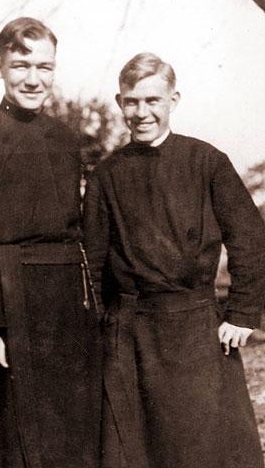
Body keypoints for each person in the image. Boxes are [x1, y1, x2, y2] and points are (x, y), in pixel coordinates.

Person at [84, 52, 265, 468]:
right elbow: (90, 265)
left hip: (196, 333)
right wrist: (99, 332)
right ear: (119, 102)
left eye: (153, 100)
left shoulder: (207, 162)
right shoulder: (105, 176)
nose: (142, 112)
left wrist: (241, 313)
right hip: (130, 337)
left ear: (173, 100)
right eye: (132, 101)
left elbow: (250, 238)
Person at [0, 17, 101, 468]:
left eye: (44, 67)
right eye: (21, 65)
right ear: (0, 67)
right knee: (6, 445)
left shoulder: (66, 140)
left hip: (65, 314)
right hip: (6, 309)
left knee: (69, 440)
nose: (33, 79)